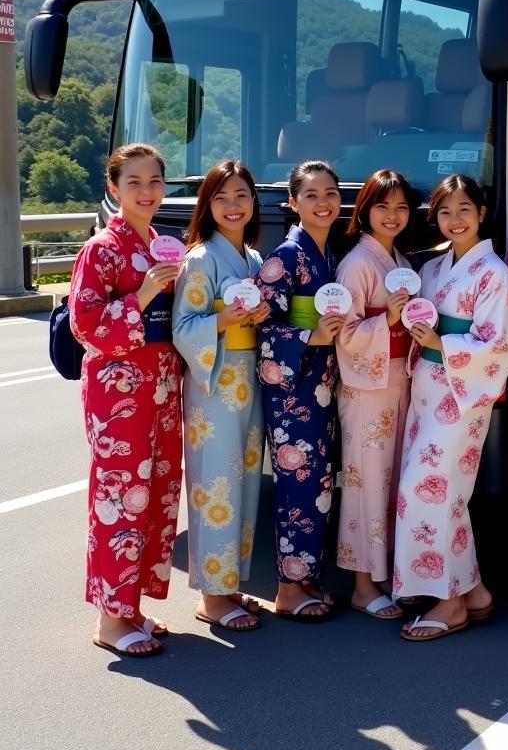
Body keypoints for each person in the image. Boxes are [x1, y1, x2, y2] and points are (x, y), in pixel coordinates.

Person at [394, 175, 508, 641]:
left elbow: (498, 344)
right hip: (429, 391)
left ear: (482, 213)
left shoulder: (494, 274)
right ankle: (475, 592)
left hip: (462, 396)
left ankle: (449, 603)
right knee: (444, 497)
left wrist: (440, 342)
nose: (455, 219)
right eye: (445, 212)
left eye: (464, 209)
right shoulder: (432, 269)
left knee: (429, 492)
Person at [69, 143, 182, 657]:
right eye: (133, 182)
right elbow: (85, 326)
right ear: (113, 188)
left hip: (159, 384)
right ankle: (110, 620)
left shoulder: (163, 245)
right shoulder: (100, 249)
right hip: (118, 391)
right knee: (120, 495)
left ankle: (132, 606)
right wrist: (141, 298)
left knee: (157, 491)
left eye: (154, 181)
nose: (146, 191)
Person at [172, 160, 270, 632]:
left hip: (249, 374)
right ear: (207, 205)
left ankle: (230, 585)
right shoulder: (200, 259)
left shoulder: (252, 259)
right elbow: (183, 328)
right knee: (216, 483)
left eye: (242, 196)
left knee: (246, 480)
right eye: (222, 198)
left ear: (254, 203)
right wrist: (230, 320)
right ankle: (212, 597)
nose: (233, 206)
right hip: (214, 379)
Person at [255, 160, 344, 622]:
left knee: (318, 484)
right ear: (292, 203)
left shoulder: (327, 254)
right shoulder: (286, 257)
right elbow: (259, 323)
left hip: (319, 386)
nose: (323, 201)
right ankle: (289, 587)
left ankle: (306, 576)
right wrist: (310, 337)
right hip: (293, 390)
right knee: (296, 483)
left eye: (330, 192)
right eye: (311, 195)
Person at [334, 170, 417, 620]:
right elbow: (344, 335)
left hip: (398, 376)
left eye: (401, 207)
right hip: (368, 383)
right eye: (383, 206)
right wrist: (386, 320)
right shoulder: (358, 264)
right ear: (364, 210)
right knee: (366, 480)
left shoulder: (397, 258)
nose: (392, 215)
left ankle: (382, 572)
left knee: (390, 479)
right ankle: (362, 584)